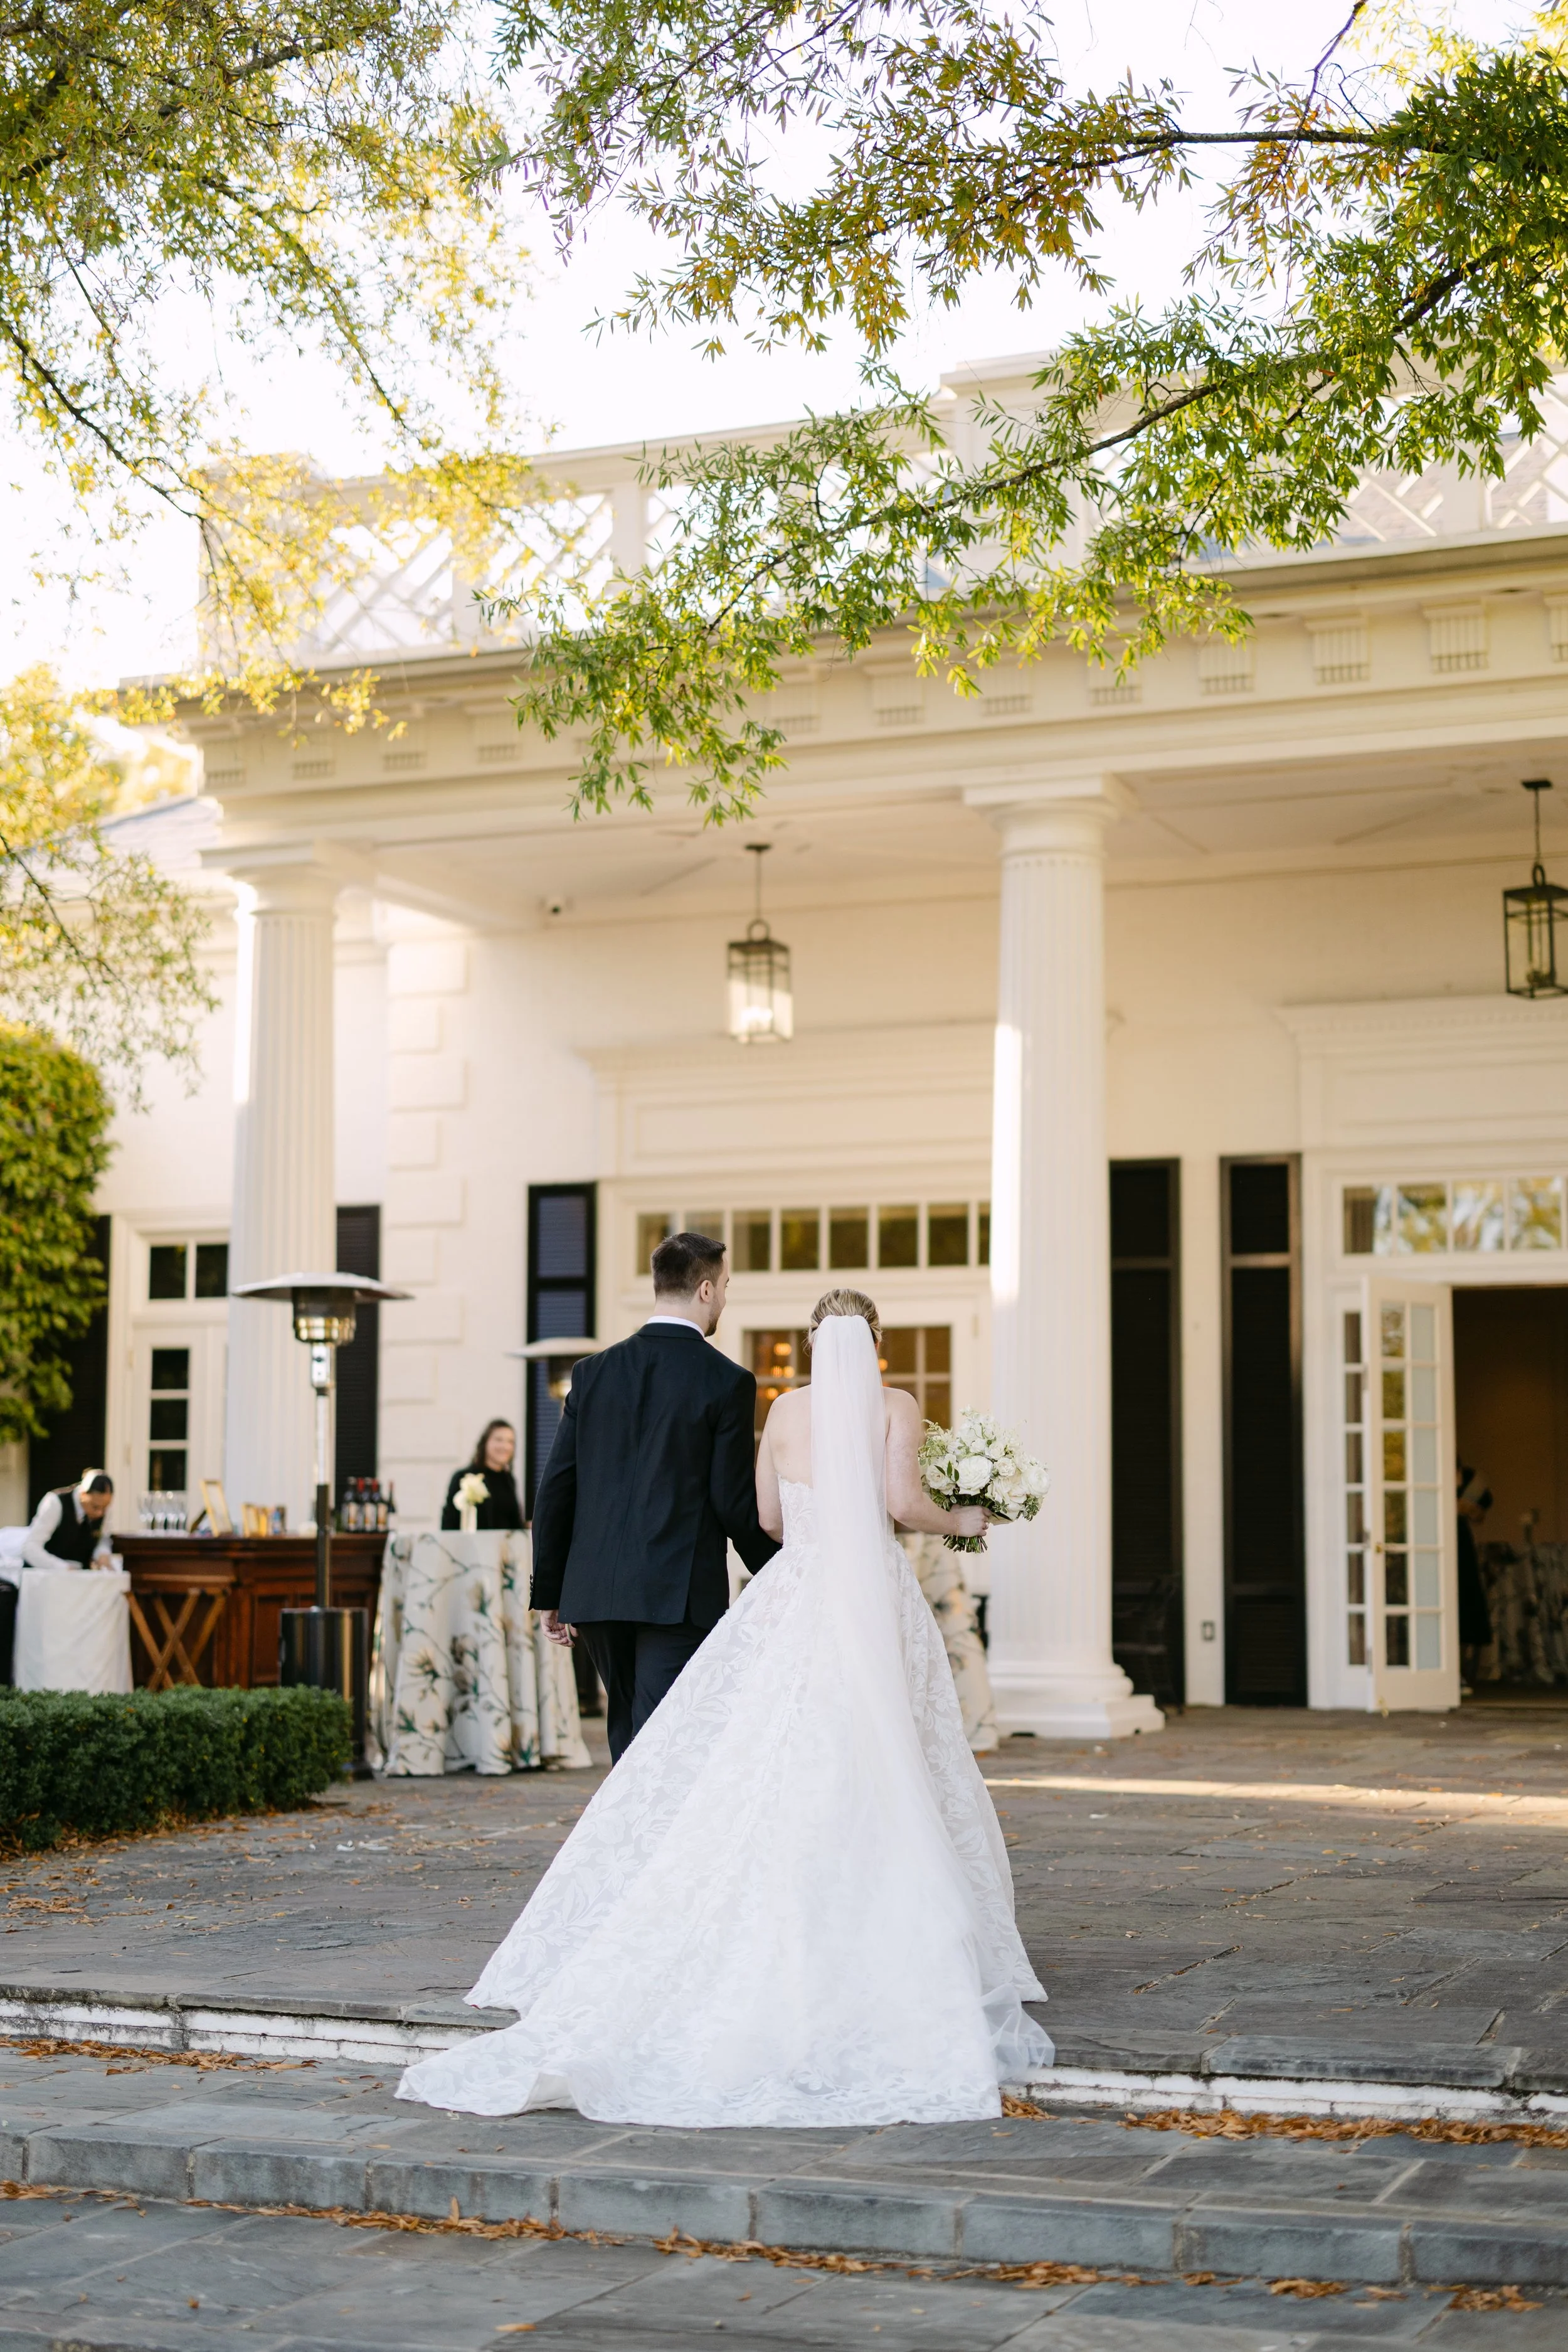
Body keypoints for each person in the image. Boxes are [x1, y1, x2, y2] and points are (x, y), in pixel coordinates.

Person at [397, 1288, 1051, 2127]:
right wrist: (971, 1513)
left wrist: (825, 1529)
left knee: (768, 1754)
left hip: (798, 1591)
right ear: (876, 1342)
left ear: (813, 1343)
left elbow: (770, 1516)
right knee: (894, 1750)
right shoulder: (896, 1403)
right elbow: (902, 1504)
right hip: (875, 1594)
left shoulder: (781, 1413)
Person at [527, 1229, 780, 1763]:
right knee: (664, 1743)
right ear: (706, 1290)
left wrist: (549, 1590)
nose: (726, 1298)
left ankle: (624, 1847)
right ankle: (644, 1845)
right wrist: (781, 1569)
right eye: (727, 1285)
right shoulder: (726, 1380)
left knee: (630, 1736)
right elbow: (732, 1501)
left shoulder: (592, 1373)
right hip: (676, 1593)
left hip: (595, 1593)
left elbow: (556, 1487)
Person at [22, 1471, 115, 1571]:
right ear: (83, 1494)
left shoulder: (102, 1510)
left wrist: (102, 1554)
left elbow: (102, 1540)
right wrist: (63, 1568)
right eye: (95, 1507)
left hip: (79, 1578)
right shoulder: (55, 1503)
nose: (100, 1513)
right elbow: (30, 1549)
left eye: (105, 1508)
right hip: (45, 1578)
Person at [441, 1421, 524, 1531]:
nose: (505, 1446)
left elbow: (514, 1523)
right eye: (499, 1440)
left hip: (502, 1548)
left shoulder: (509, 1480)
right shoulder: (463, 1478)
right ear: (485, 1442)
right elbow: (449, 1524)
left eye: (510, 1442)